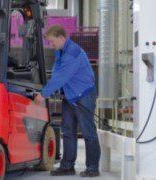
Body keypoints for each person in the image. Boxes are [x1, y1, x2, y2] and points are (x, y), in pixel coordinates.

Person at [34, 25, 101, 177]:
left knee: (88, 132)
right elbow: (57, 70)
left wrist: (44, 93)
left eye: (52, 42)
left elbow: (61, 77)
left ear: (61, 38)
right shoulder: (61, 50)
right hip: (70, 94)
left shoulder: (72, 53)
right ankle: (67, 166)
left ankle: (93, 167)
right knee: (68, 131)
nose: (51, 45)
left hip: (83, 95)